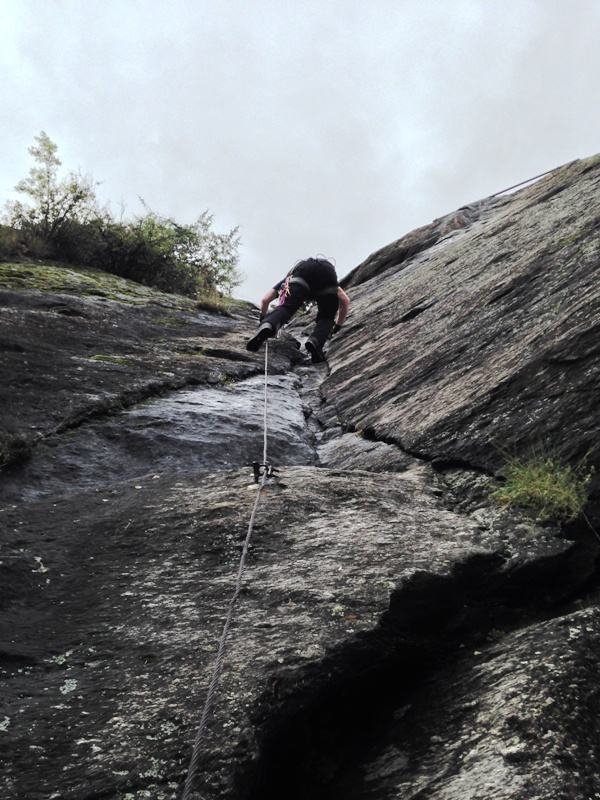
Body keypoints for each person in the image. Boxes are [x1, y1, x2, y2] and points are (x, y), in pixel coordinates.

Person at [246, 257, 350, 363]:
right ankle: (316, 340)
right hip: (327, 274)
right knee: (327, 316)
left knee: (287, 307)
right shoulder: (331, 281)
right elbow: (345, 301)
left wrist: (263, 320)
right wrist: (337, 326)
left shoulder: (287, 281)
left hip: (303, 271)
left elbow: (264, 300)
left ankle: (268, 325)